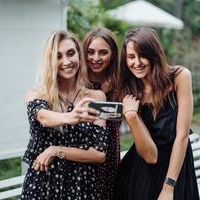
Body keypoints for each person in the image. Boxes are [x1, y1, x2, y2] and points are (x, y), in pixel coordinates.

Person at [21, 30, 109, 200]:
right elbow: (43, 117)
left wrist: (56, 150)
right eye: (58, 56)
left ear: (79, 55)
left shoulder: (96, 97)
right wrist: (71, 117)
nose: (66, 62)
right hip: (42, 185)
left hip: (81, 185)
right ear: (50, 61)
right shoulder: (37, 95)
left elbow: (98, 154)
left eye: (71, 53)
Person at [114, 27, 200, 200]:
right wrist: (132, 116)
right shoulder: (129, 91)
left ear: (154, 54)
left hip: (175, 167)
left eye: (142, 55)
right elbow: (149, 155)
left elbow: (182, 136)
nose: (136, 63)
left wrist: (169, 186)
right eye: (131, 57)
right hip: (141, 170)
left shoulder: (179, 77)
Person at [82, 27, 120, 200]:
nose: (95, 58)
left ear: (112, 55)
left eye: (103, 52)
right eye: (90, 52)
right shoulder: (77, 84)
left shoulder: (120, 83)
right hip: (83, 153)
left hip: (111, 152)